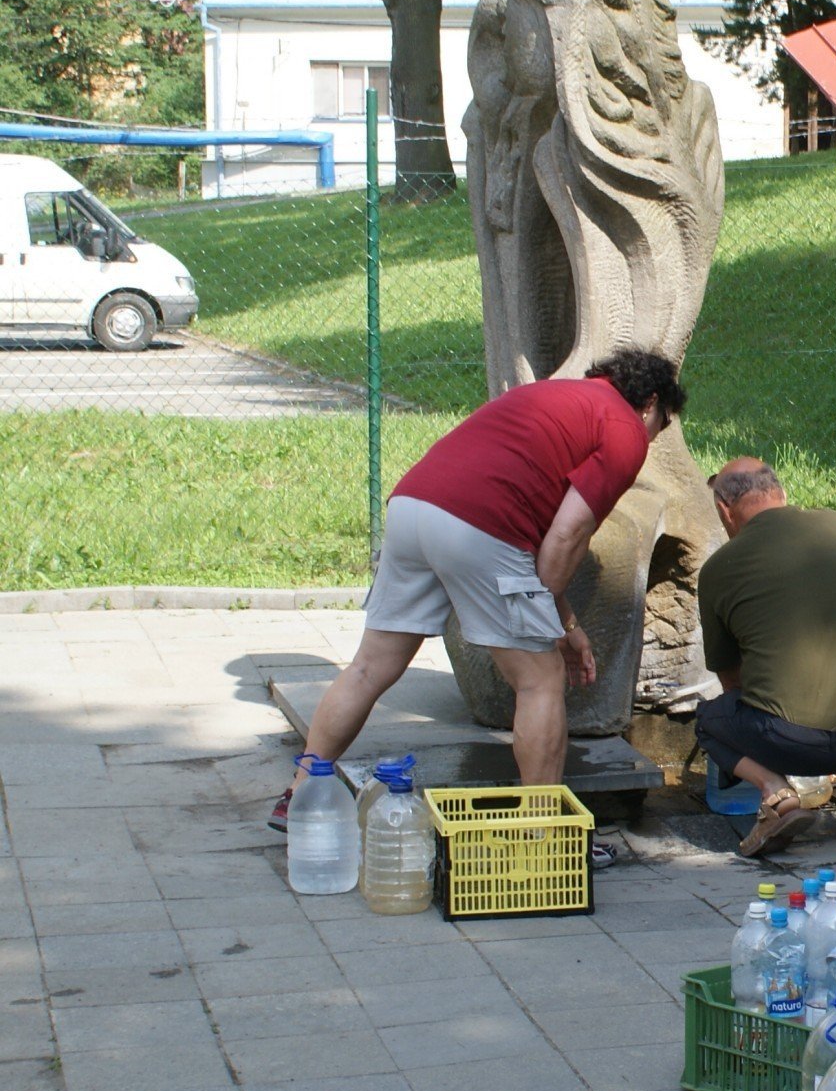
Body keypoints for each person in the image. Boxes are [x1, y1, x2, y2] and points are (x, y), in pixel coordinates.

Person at [268, 348, 685, 830]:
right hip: (478, 527)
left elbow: (536, 551)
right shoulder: (624, 428)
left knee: (368, 667)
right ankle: (544, 833)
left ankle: (299, 794)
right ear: (651, 403)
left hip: (412, 509)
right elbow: (567, 536)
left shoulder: (553, 396)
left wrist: (562, 620)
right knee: (540, 681)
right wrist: (550, 627)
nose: (653, 438)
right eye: (662, 425)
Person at [697, 458, 836, 857]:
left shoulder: (717, 570)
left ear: (725, 511)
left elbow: (732, 681)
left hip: (796, 745)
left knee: (710, 719)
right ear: (782, 493)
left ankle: (776, 796)